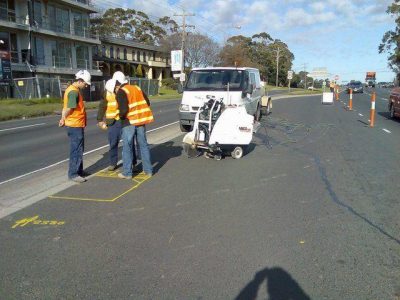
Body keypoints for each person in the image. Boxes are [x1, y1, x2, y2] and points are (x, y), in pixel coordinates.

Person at [112, 71, 154, 179]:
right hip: (141, 121)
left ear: (117, 82)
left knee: (127, 147)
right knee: (143, 145)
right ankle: (148, 170)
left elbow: (124, 110)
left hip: (129, 122)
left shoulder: (122, 91)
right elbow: (147, 102)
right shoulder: (137, 88)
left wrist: (120, 117)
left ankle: (127, 173)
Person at [59, 70, 91, 183]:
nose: (86, 85)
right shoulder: (74, 92)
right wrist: (63, 118)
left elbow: (65, 107)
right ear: (80, 81)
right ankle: (73, 173)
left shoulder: (72, 90)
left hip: (75, 123)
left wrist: (63, 118)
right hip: (75, 124)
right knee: (76, 150)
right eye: (86, 83)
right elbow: (69, 107)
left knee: (79, 148)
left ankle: (79, 171)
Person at [96, 78, 130, 171]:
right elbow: (102, 106)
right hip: (112, 122)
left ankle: (131, 163)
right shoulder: (106, 93)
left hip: (124, 120)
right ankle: (113, 163)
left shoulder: (124, 91)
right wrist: (100, 120)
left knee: (128, 142)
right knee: (113, 143)